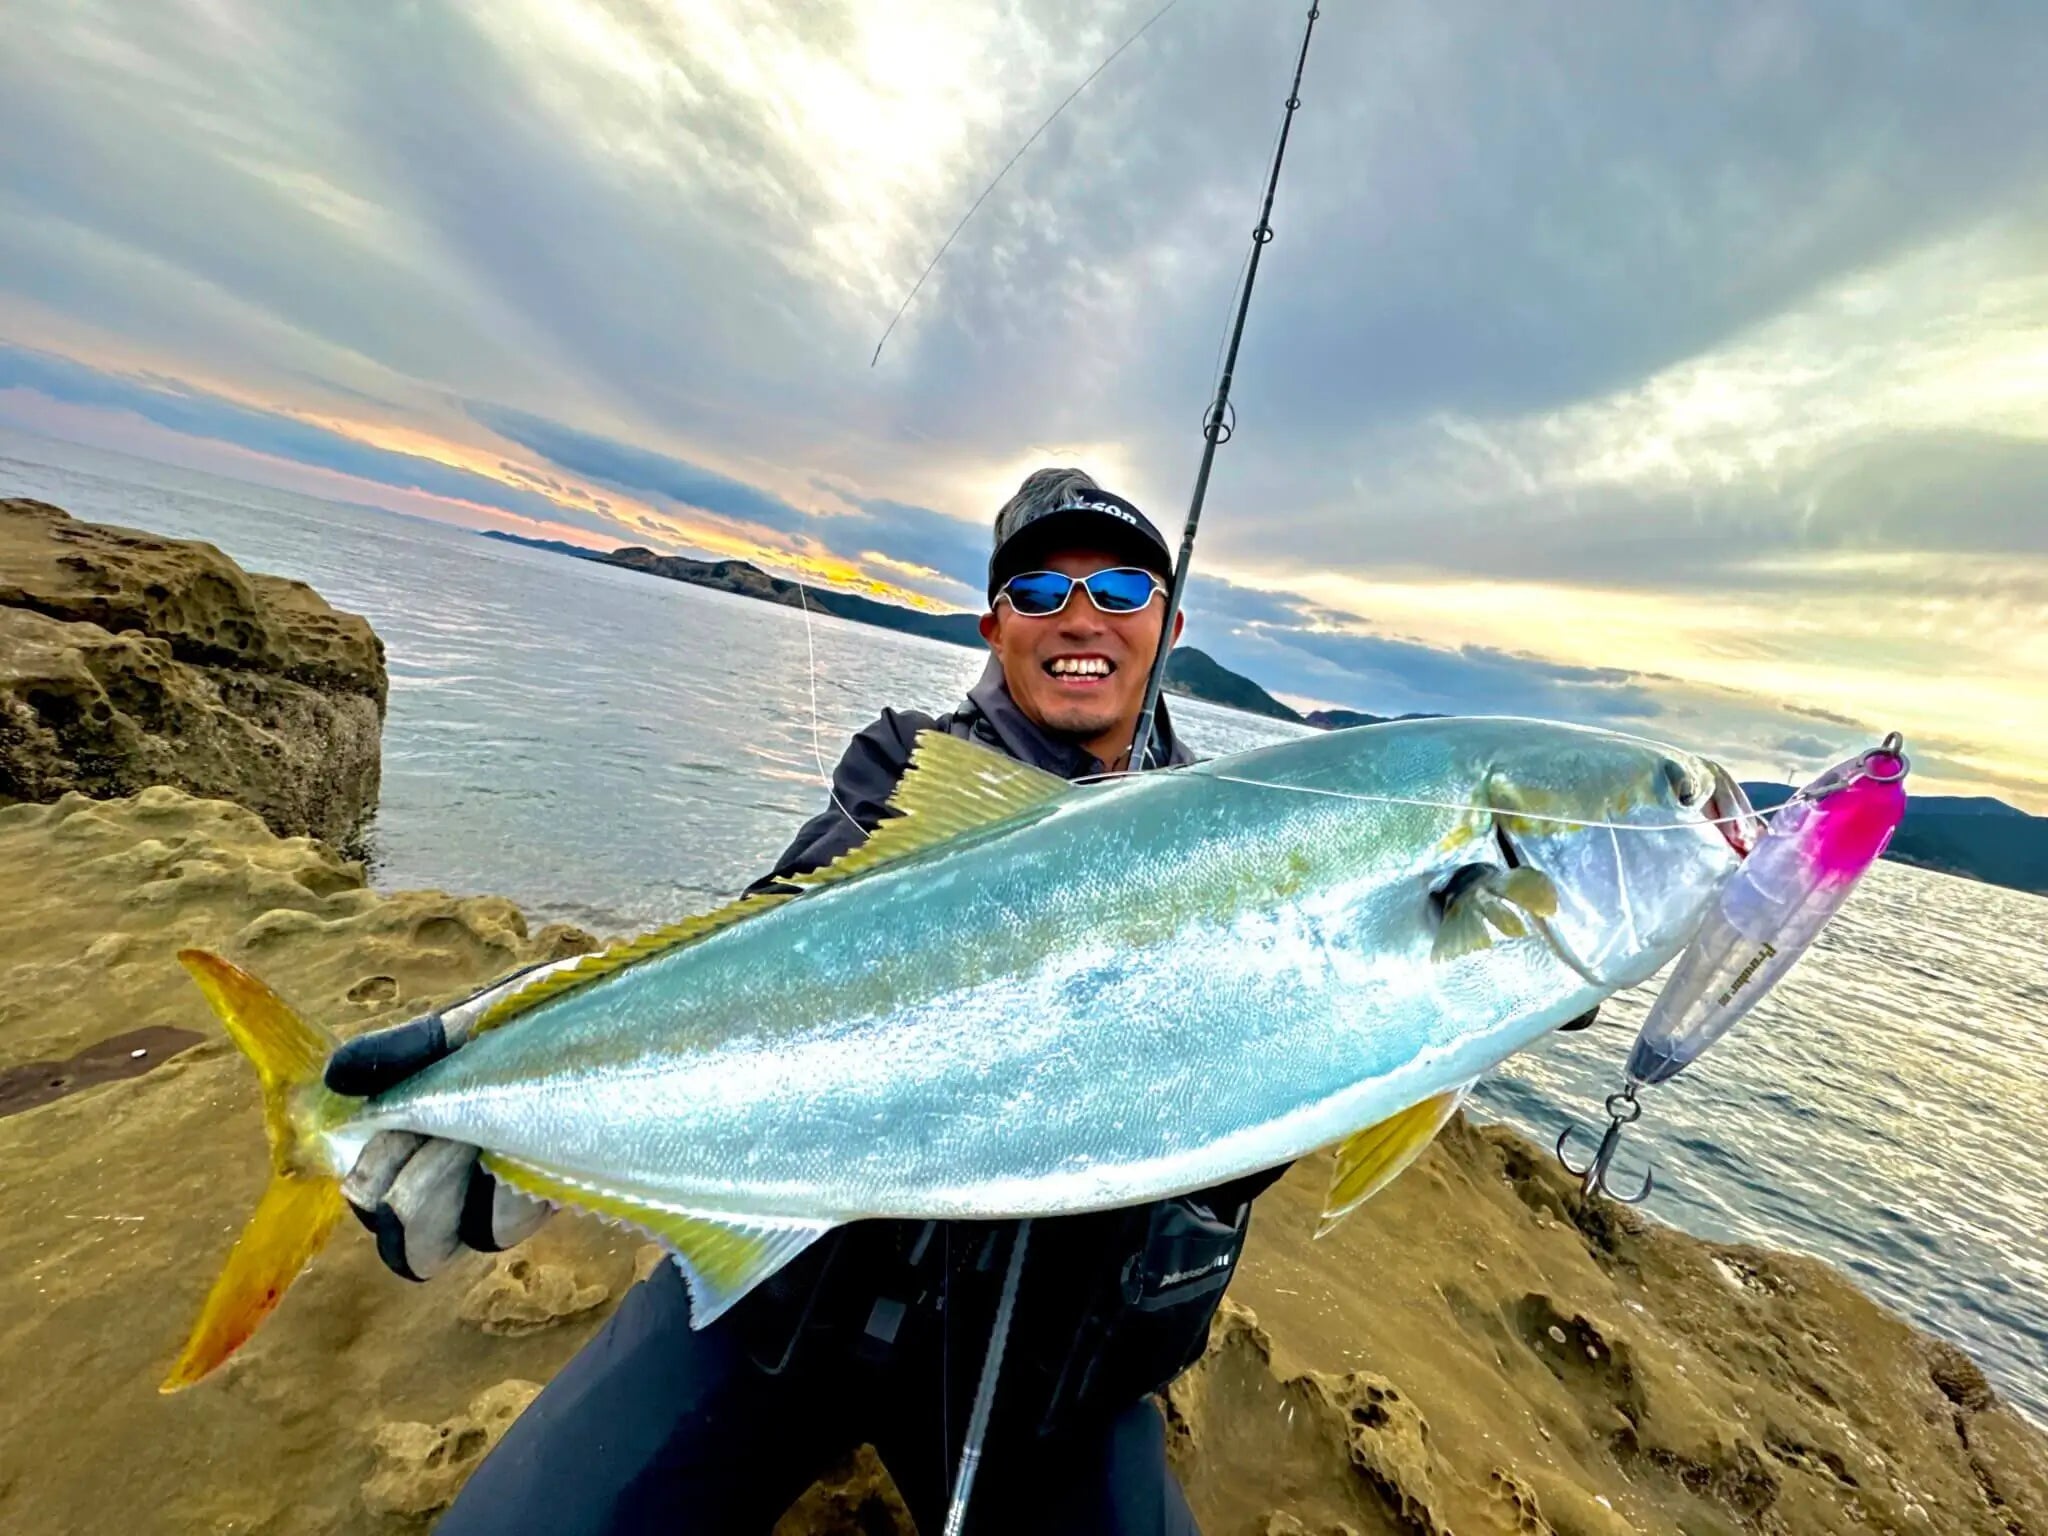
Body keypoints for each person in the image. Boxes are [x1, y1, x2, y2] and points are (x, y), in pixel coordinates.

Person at [327, 468, 1287, 1535]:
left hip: (1047, 1378)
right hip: (788, 1296)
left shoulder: (1245, 846)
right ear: (993, 627)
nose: (1079, 618)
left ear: (1168, 625)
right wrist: (551, 1038)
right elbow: (775, 931)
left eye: (1118, 589)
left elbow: (1255, 1117)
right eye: (1037, 590)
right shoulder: (909, 768)